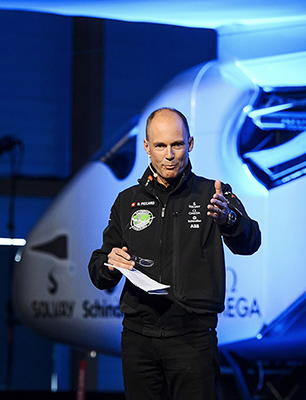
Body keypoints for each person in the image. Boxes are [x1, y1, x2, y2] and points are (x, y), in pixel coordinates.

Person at [88, 107, 261, 400]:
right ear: (147, 147)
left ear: (190, 144)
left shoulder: (214, 194)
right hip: (139, 338)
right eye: (160, 146)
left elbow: (251, 241)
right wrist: (109, 264)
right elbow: (99, 270)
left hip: (193, 338)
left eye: (177, 144)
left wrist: (228, 218)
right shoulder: (126, 201)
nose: (169, 155)